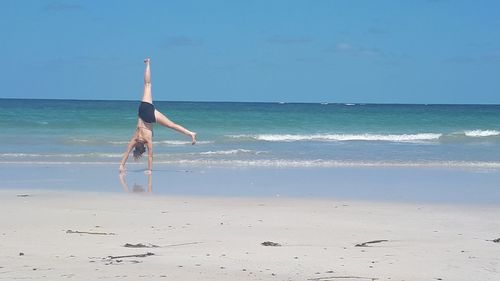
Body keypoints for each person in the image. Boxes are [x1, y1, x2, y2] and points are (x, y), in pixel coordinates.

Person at [119, 58, 196, 174]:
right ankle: (148, 63)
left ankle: (190, 133)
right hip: (142, 111)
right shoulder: (135, 138)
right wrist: (121, 165)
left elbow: (151, 156)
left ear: (142, 148)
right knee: (147, 85)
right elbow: (127, 152)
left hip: (149, 116)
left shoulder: (146, 139)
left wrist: (149, 170)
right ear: (136, 147)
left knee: (171, 125)